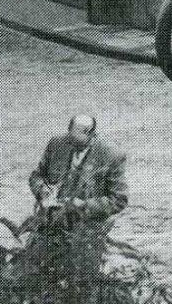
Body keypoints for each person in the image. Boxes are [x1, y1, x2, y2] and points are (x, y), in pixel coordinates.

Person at [28, 114, 127, 279]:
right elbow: (36, 177)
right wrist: (43, 193)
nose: (71, 142)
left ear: (91, 133)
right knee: (37, 277)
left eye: (76, 139)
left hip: (86, 234)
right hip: (50, 227)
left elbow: (119, 200)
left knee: (81, 284)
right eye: (69, 136)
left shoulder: (112, 155)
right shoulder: (57, 144)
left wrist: (84, 205)